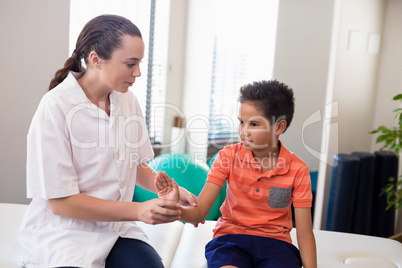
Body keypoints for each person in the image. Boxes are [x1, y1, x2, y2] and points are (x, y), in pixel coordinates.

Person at [18, 14, 196, 268]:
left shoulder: (127, 100)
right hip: (65, 233)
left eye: (139, 63)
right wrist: (138, 210)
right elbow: (60, 203)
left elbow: (132, 165)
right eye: (130, 63)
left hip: (116, 230)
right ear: (95, 59)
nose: (138, 72)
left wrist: (170, 191)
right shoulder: (56, 107)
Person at [156, 80, 317, 268]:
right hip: (230, 240)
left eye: (254, 124)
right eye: (241, 122)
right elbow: (200, 211)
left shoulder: (298, 170)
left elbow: (305, 233)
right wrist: (173, 209)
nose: (243, 131)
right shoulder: (227, 157)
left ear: (279, 127)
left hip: (276, 245)